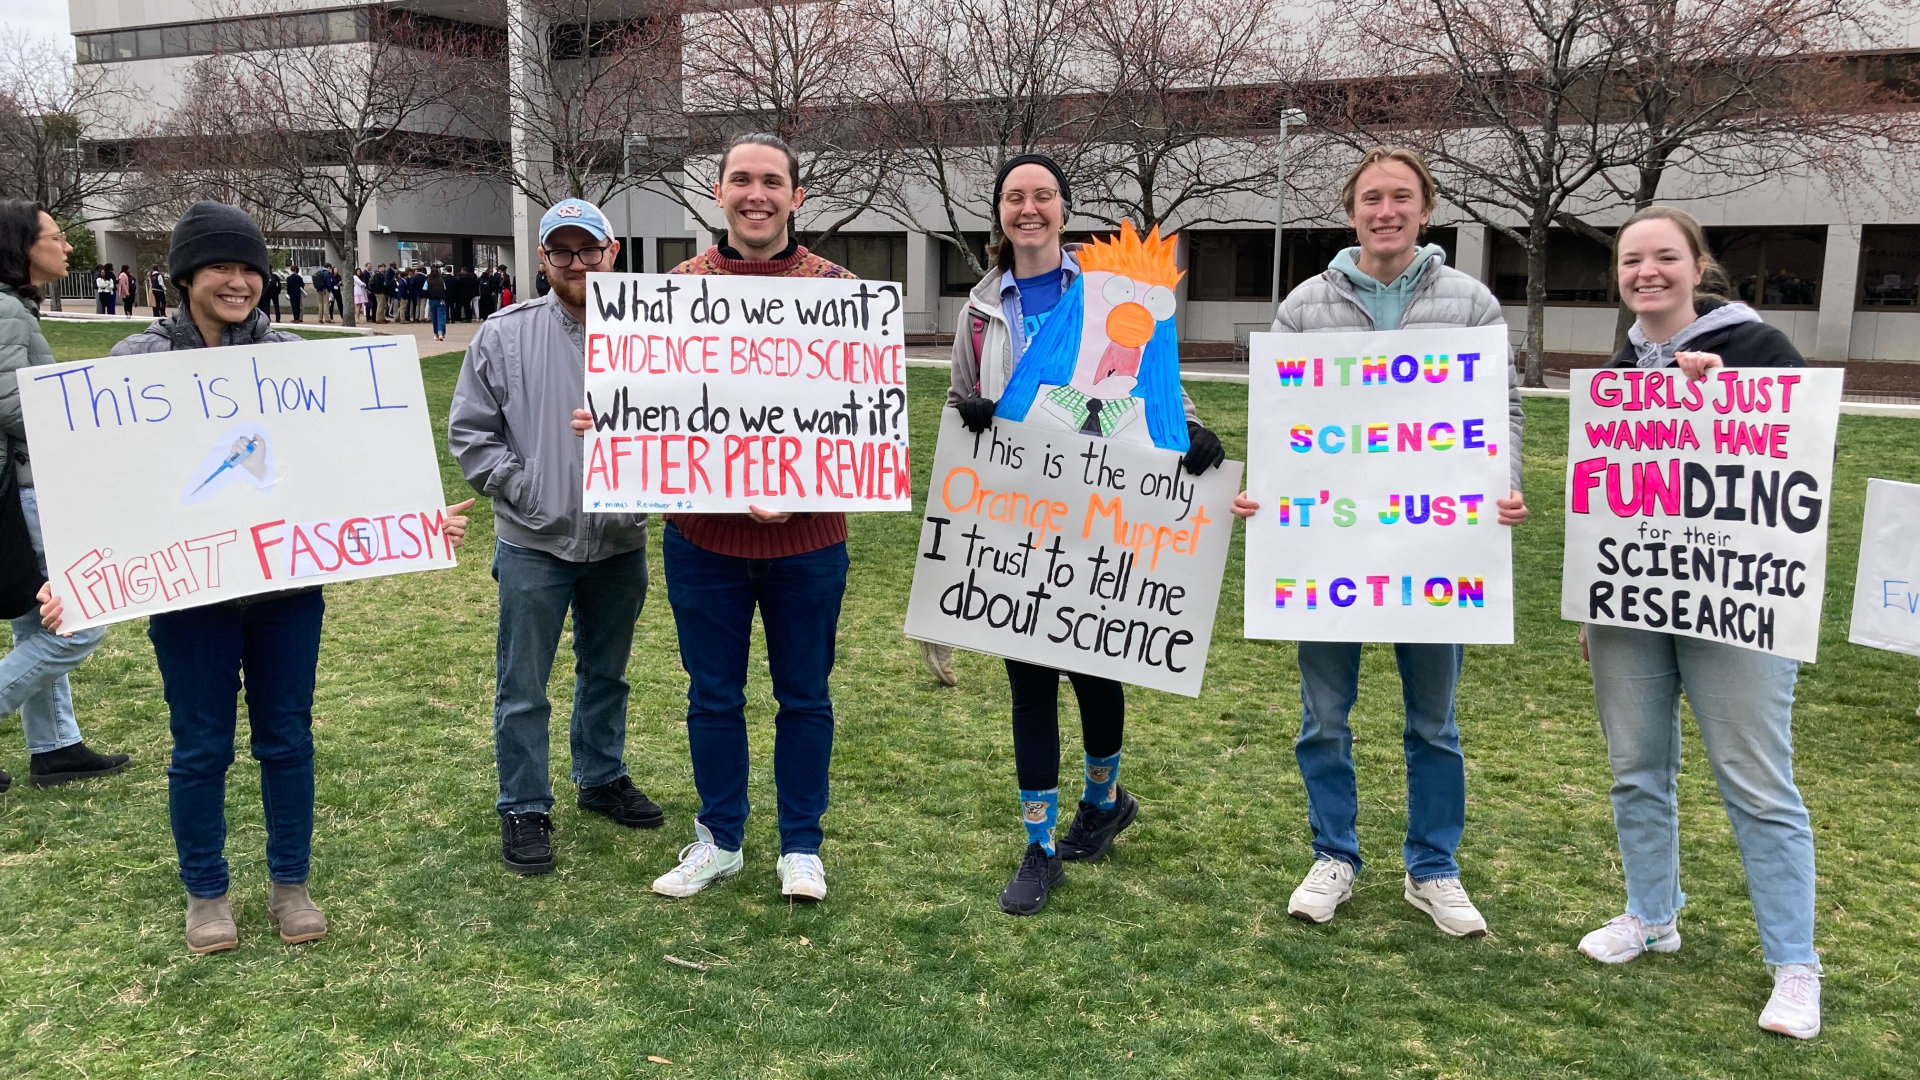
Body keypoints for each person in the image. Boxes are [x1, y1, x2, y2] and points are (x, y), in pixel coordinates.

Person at [37, 201, 475, 954]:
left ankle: (289, 884)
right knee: (200, 745)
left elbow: (346, 467)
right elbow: (100, 487)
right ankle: (206, 893)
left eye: (249, 269)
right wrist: (71, 570)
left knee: (287, 736)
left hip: (285, 593)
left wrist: (412, 523)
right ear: (184, 276)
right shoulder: (136, 365)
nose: (237, 282)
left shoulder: (293, 360)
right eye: (220, 267)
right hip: (187, 594)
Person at [1229, 146, 1527, 938]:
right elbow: (1279, 425)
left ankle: (1433, 868)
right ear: (1351, 210)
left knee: (1435, 723)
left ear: (1425, 209)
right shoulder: (1303, 306)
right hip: (1326, 552)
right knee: (1324, 718)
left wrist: (1506, 483)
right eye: (1371, 198)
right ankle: (1335, 856)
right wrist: (1262, 489)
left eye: (1401, 197)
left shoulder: (1471, 303)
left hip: (1436, 552)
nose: (1385, 211)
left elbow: (1504, 413)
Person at [568, 133, 855, 903]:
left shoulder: (840, 291)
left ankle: (802, 847)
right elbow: (652, 405)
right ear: (719, 193)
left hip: (810, 538)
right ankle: (720, 839)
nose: (755, 194)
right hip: (703, 540)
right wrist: (618, 423)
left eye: (771, 181)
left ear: (797, 197)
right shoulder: (674, 290)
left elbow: (858, 421)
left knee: (806, 696)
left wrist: (800, 488)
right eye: (740, 180)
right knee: (712, 696)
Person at [942, 155, 1227, 915]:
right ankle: (1039, 847)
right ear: (999, 212)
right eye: (1013, 197)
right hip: (1018, 519)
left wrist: (1193, 432)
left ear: (1064, 209)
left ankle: (1102, 801)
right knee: (1028, 678)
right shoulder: (978, 310)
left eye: (1042, 196)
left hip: (1108, 511)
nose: (1027, 208)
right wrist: (972, 415)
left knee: (1098, 662)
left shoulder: (1110, 289)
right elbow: (961, 400)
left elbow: (1155, 378)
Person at [1574, 204, 1823, 1039]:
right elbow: (1610, 497)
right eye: (1631, 260)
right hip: (1632, 608)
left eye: (1664, 258)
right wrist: (1596, 599)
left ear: (1697, 264)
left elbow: (1803, 458)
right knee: (1637, 767)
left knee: (1757, 783)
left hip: (1737, 606)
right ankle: (1652, 913)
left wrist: (1730, 401)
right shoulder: (1624, 366)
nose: (1647, 272)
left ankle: (1795, 963)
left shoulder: (1756, 350)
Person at [450, 198, 663, 877]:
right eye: (562, 251)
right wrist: (525, 487)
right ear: (543, 259)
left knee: (607, 674)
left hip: (619, 540)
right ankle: (524, 804)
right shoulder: (503, 334)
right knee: (524, 684)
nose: (578, 263)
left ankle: (601, 777)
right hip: (533, 543)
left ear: (613, 251)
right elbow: (471, 434)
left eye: (589, 249)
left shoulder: (653, 334)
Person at [0, 199, 131, 794]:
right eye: (55, 236)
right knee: (79, 617)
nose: (68, 246)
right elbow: (9, 406)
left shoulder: (13, 309)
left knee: (36, 622)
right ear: (21, 246)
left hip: (27, 483)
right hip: (27, 485)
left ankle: (54, 748)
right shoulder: (4, 310)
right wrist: (86, 420)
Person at [425, 264, 448, 341]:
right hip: (441, 300)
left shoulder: (428, 281)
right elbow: (445, 289)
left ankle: (435, 334)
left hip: (432, 300)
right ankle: (441, 333)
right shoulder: (441, 281)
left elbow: (424, 290)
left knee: (434, 317)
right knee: (441, 316)